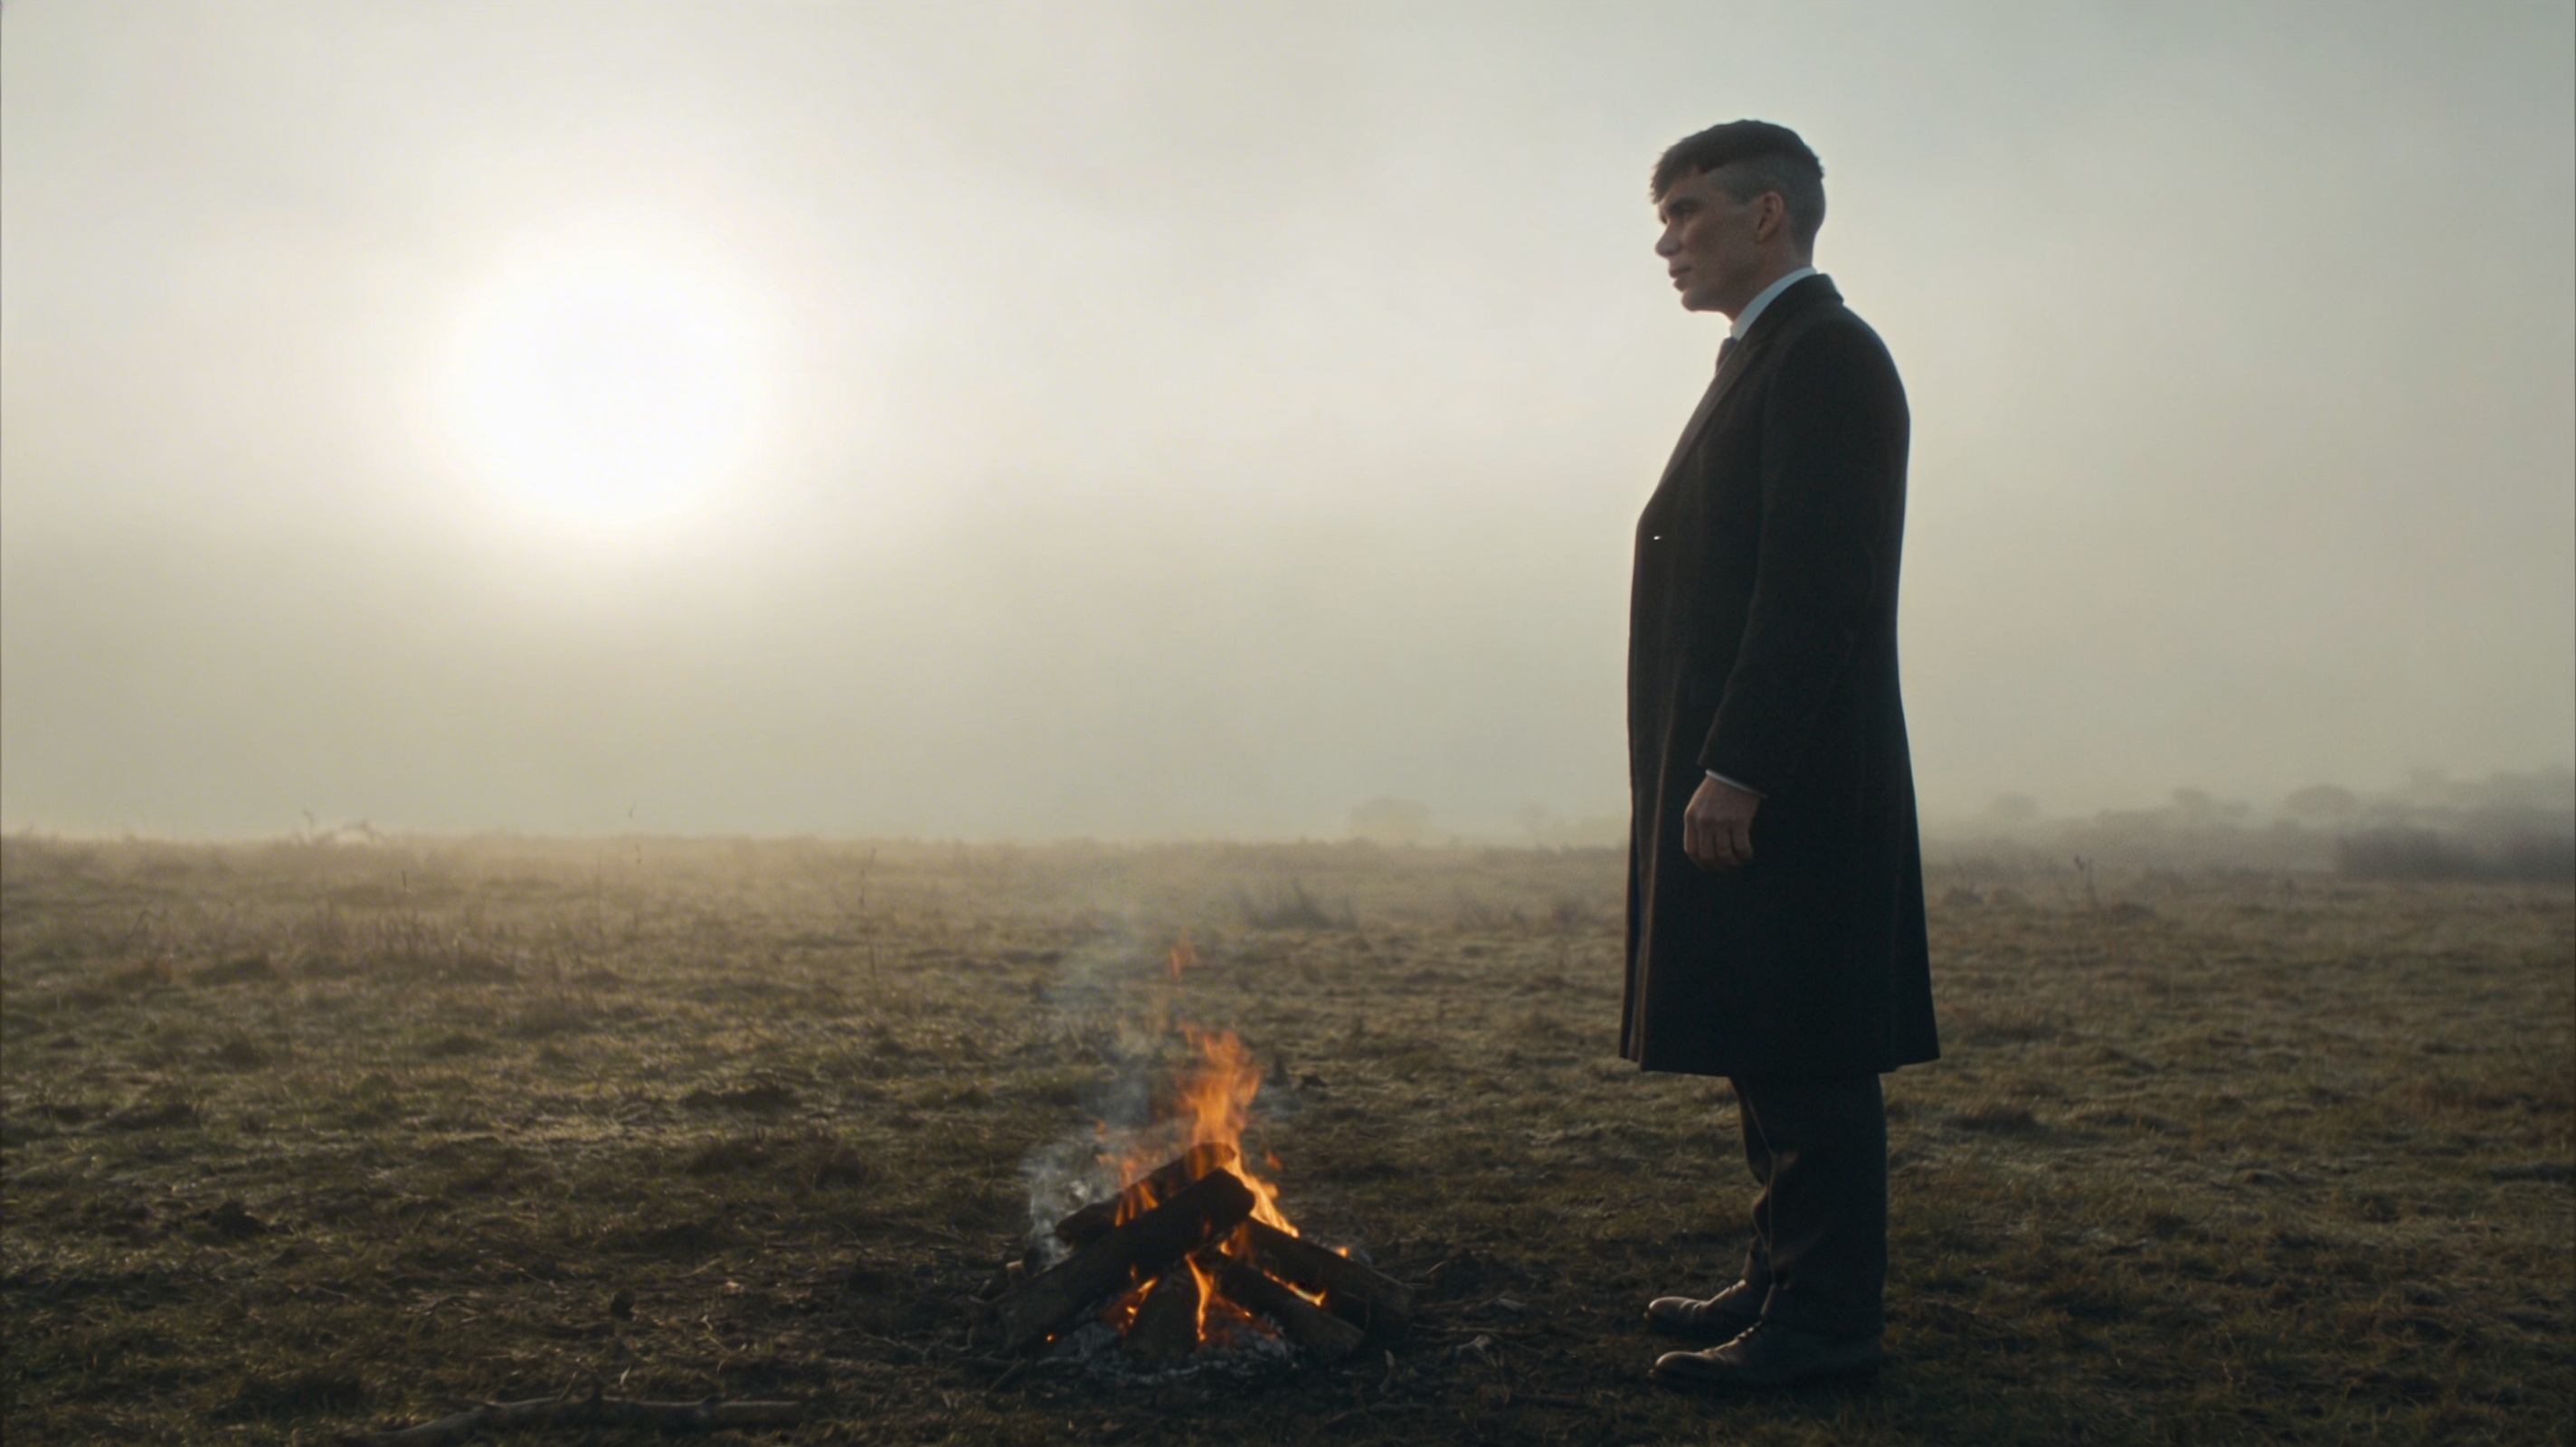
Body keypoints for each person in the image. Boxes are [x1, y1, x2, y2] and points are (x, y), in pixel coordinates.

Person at [1621, 119, 1941, 1389]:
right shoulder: (1764, 357)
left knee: (1807, 1048)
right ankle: (1780, 1277)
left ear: (1770, 217)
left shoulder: (1826, 358)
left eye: (1689, 214)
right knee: (1767, 1037)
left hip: (1795, 782)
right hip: (1755, 774)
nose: (1667, 244)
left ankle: (1822, 1329)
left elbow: (1819, 586)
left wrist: (1740, 762)